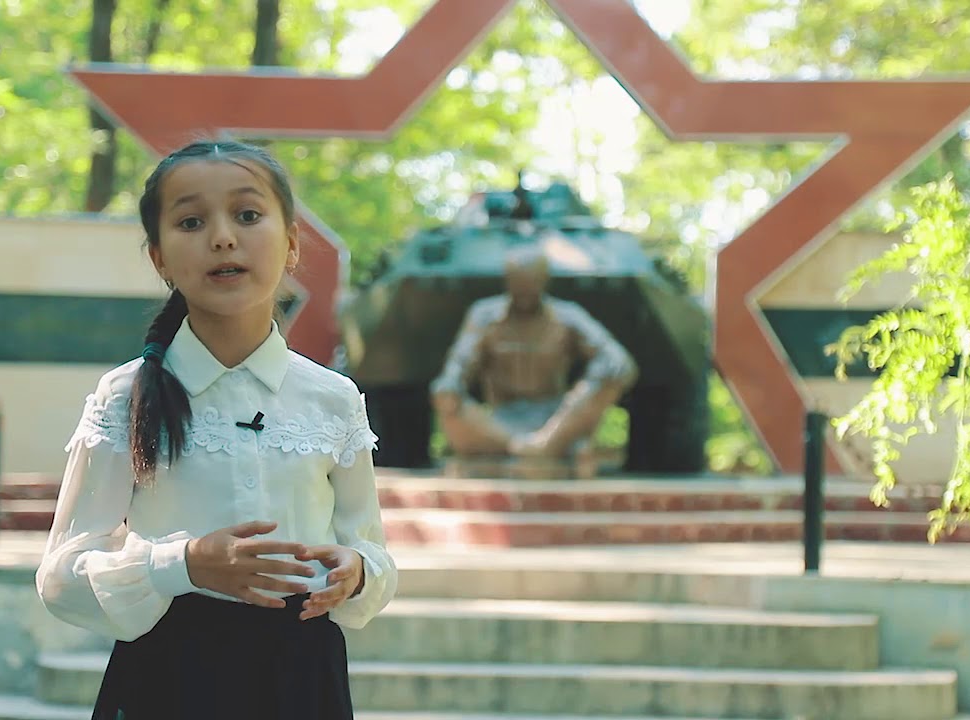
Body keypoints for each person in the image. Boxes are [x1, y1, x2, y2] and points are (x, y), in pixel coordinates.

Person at [35, 139, 396, 719]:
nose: (223, 237)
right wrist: (182, 563)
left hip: (303, 680)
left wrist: (354, 574)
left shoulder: (334, 399)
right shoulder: (124, 396)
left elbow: (372, 551)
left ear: (292, 243)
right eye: (191, 221)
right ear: (159, 257)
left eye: (248, 215)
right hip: (169, 679)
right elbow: (60, 577)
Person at [430, 245, 637, 468]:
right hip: (500, 423)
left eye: (531, 284)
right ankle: (535, 449)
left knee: (614, 372)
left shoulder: (569, 315)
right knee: (445, 396)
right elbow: (460, 362)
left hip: (556, 421)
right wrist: (450, 384)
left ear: (544, 280)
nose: (525, 292)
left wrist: (608, 369)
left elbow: (617, 359)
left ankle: (542, 445)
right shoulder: (484, 315)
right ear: (508, 281)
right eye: (518, 284)